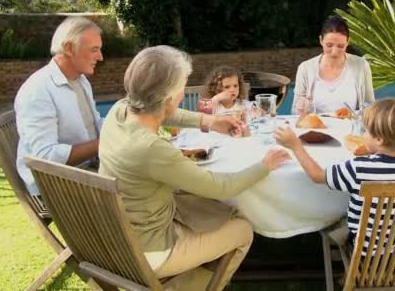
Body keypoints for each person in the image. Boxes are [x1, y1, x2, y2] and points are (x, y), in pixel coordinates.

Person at [98, 45, 291, 290]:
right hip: (151, 251)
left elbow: (165, 113)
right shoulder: (152, 149)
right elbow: (220, 188)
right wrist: (265, 165)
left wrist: (208, 121)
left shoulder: (119, 112)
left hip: (121, 233)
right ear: (167, 98)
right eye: (181, 88)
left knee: (208, 207)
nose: (181, 94)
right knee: (242, 229)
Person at [276, 99, 395, 256]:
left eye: (366, 131)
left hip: (367, 253)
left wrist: (295, 145)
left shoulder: (358, 167)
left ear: (379, 139)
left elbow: (317, 175)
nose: (364, 135)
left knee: (337, 221)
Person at [15, 16, 104, 196]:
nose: (100, 57)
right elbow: (45, 158)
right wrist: (105, 143)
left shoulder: (80, 80)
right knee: (143, 192)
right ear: (69, 48)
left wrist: (126, 128)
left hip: (86, 172)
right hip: (56, 188)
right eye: (94, 50)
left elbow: (93, 124)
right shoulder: (38, 90)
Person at [292, 15, 374, 115]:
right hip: (315, 128)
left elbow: (370, 106)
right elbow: (294, 112)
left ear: (348, 42)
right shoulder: (305, 68)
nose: (334, 52)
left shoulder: (361, 66)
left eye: (341, 46)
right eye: (329, 45)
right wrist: (301, 107)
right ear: (321, 40)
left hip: (350, 129)